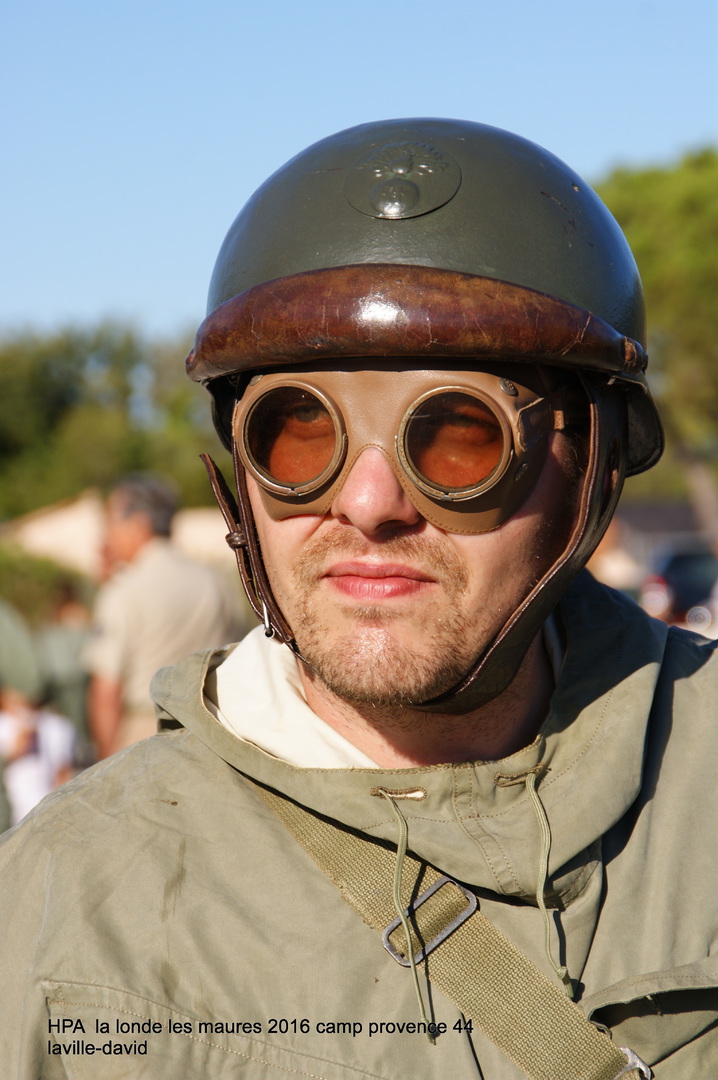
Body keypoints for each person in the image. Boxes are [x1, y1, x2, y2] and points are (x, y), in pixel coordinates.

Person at [0, 119, 715, 1079]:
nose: (370, 504)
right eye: (300, 432)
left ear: (593, 461)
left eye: (459, 437)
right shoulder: (71, 901)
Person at [82, 472, 241, 757]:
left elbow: (106, 691)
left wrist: (105, 763)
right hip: (211, 735)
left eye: (110, 521)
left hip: (145, 736)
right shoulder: (217, 583)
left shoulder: (124, 590)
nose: (106, 534)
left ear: (138, 523)